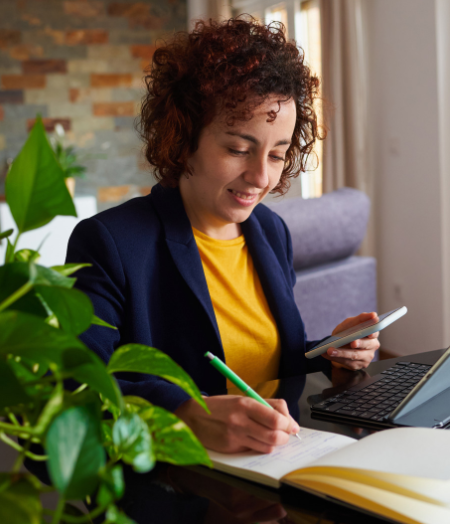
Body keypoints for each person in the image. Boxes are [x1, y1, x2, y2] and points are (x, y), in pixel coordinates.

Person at [66, 18, 380, 455]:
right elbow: (80, 386)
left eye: (277, 153)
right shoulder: (110, 242)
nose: (260, 176)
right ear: (183, 136)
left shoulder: (270, 231)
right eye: (237, 149)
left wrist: (329, 355)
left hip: (281, 458)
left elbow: (264, 361)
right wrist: (185, 413)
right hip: (186, 485)